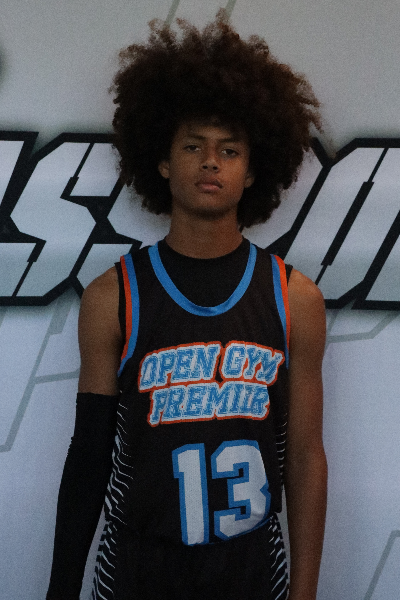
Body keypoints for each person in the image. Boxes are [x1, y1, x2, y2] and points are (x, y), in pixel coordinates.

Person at [47, 12, 327, 600]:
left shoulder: (294, 298)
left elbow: (304, 456)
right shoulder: (113, 296)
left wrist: (304, 592)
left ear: (252, 171)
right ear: (162, 161)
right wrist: (60, 589)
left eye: (230, 150)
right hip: (136, 573)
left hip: (253, 575)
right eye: (193, 146)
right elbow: (90, 457)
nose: (210, 162)